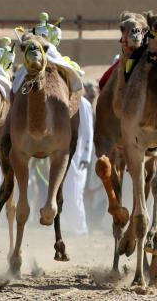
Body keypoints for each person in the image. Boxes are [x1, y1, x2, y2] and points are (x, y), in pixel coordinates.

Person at [61, 83, 94, 234]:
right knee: (65, 193)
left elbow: (88, 132)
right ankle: (69, 226)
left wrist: (86, 156)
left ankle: (81, 229)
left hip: (79, 156)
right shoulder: (63, 101)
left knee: (75, 193)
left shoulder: (84, 104)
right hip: (64, 156)